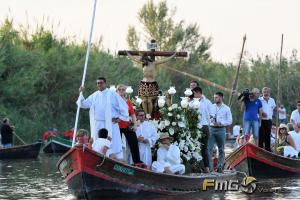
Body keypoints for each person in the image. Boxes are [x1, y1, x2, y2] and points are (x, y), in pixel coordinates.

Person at [77, 77, 129, 160]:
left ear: (105, 83)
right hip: (97, 125)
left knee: (113, 144)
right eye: (98, 83)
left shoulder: (112, 94)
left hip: (111, 124)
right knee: (97, 144)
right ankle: (97, 160)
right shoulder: (94, 95)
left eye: (101, 83)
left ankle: (115, 160)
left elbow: (124, 107)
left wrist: (119, 118)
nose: (99, 85)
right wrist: (81, 93)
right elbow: (83, 104)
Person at [126, 50, 176, 115]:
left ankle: (149, 115)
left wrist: (172, 56)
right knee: (144, 101)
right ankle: (146, 115)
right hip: (144, 84)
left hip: (152, 84)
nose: (141, 60)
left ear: (145, 58)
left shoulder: (153, 63)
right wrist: (127, 53)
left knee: (149, 101)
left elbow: (164, 60)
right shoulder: (143, 63)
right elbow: (133, 58)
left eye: (142, 59)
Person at [117, 84, 143, 164]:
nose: (121, 91)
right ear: (117, 91)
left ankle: (137, 161)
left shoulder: (128, 101)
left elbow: (133, 114)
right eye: (120, 89)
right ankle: (116, 160)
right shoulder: (114, 100)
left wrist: (135, 125)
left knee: (134, 142)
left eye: (123, 90)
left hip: (127, 125)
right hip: (117, 126)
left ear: (125, 91)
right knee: (117, 144)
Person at [208, 92, 232, 173]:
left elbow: (230, 121)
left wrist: (221, 123)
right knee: (209, 149)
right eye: (214, 97)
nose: (215, 99)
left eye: (217, 97)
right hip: (211, 128)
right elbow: (207, 116)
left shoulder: (226, 108)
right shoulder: (211, 106)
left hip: (221, 129)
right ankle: (210, 168)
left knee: (221, 149)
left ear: (221, 97)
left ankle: (220, 167)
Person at [191, 86, 213, 173]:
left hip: (204, 126)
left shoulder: (207, 102)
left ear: (199, 93)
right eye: (193, 94)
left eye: (195, 93)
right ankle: (196, 167)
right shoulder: (191, 103)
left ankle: (207, 167)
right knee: (194, 147)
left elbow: (212, 114)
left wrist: (208, 121)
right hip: (194, 127)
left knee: (204, 147)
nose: (194, 95)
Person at [259, 87, 276, 152]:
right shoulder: (259, 100)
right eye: (265, 92)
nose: (266, 93)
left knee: (268, 135)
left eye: (267, 92)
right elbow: (256, 109)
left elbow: (274, 108)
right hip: (261, 120)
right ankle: (260, 149)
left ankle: (268, 150)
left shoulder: (272, 100)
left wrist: (278, 109)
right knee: (261, 135)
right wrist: (262, 113)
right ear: (262, 92)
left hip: (269, 120)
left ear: (269, 93)